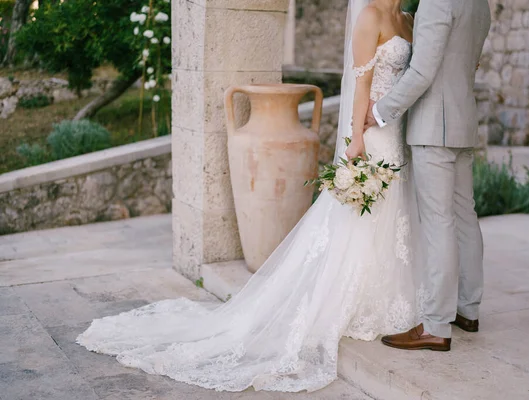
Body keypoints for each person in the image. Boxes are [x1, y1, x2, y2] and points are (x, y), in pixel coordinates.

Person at [77, 0, 433, 393]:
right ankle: (348, 303)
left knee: (391, 216)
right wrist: (355, 140)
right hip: (373, 135)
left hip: (398, 134)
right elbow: (361, 82)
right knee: (360, 218)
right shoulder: (370, 15)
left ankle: (386, 299)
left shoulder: (408, 16)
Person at [357, 0, 491, 350]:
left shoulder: (436, 3)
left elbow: (422, 72)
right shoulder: (480, 4)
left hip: (435, 126)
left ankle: (435, 326)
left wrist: (382, 110)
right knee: (465, 216)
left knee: (438, 222)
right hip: (463, 122)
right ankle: (468, 309)